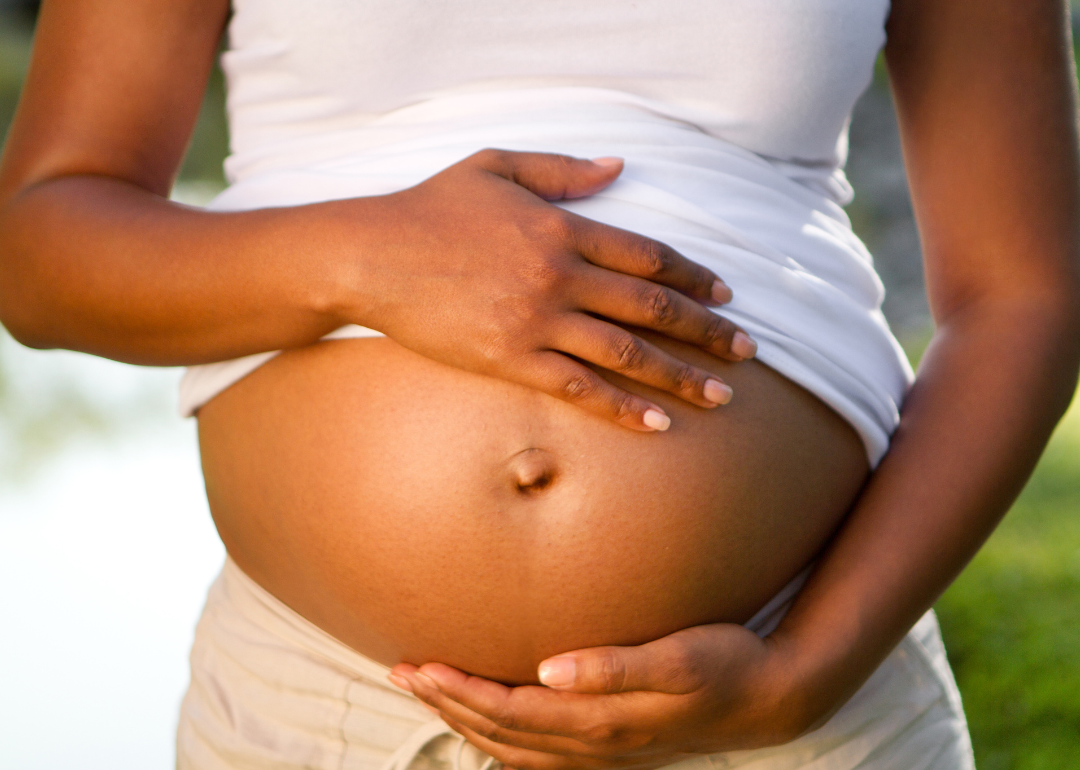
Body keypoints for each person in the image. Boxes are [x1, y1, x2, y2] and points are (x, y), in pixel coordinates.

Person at [1, 0, 1078, 768]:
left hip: (791, 702)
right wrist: (362, 262)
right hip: (326, 708)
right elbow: (39, 250)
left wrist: (810, 665)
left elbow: (1024, 293)